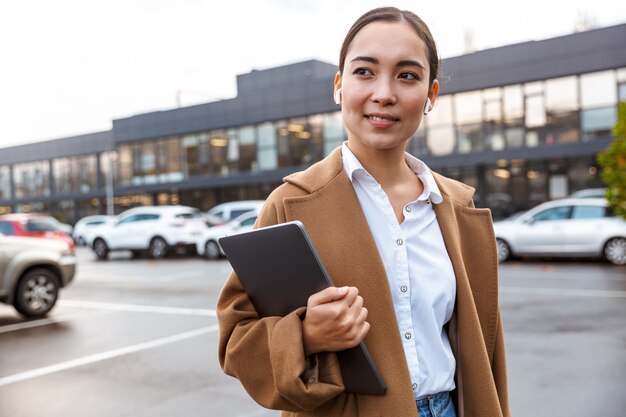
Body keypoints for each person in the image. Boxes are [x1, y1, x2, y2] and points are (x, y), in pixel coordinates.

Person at [217, 7, 510, 417]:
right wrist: (305, 336)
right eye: (365, 72)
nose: (385, 93)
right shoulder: (291, 203)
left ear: (431, 95)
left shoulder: (459, 209)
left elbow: (485, 357)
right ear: (339, 86)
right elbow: (237, 340)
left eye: (407, 75)